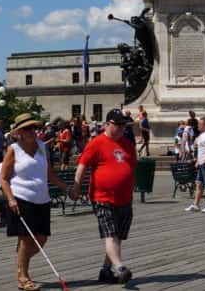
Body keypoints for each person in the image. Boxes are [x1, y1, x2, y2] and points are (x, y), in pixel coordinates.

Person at [0, 112, 72, 291]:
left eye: (35, 127)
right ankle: (23, 277)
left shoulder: (41, 146)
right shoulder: (13, 149)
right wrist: (10, 199)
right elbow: (3, 178)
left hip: (42, 198)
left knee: (42, 238)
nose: (33, 131)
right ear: (20, 132)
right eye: (28, 128)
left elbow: (49, 173)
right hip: (22, 198)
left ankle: (21, 262)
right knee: (25, 239)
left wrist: (66, 188)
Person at [73, 109, 137, 285]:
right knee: (111, 234)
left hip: (124, 198)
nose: (122, 128)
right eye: (118, 125)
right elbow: (82, 165)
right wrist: (76, 187)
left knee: (118, 235)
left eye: (124, 125)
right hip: (102, 197)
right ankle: (119, 267)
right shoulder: (97, 142)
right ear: (108, 124)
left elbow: (131, 166)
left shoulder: (128, 144)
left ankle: (106, 270)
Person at [185, 117, 205, 213]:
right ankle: (196, 205)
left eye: (200, 124)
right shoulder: (201, 136)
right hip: (202, 163)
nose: (198, 125)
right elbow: (201, 151)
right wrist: (198, 161)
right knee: (198, 184)